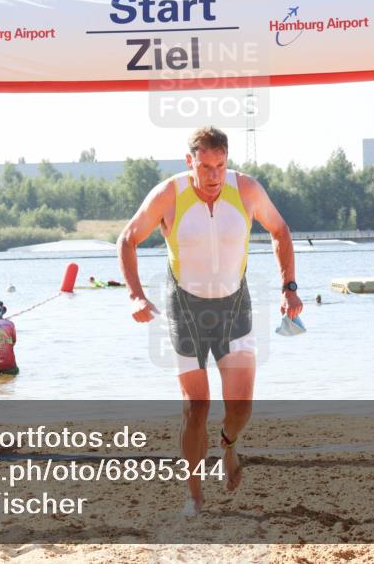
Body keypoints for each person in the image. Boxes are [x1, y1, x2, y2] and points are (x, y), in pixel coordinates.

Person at [117, 126, 302, 517]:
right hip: (185, 309)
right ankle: (194, 495)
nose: (214, 175)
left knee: (241, 408)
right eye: (205, 167)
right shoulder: (169, 194)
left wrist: (289, 287)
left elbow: (280, 230)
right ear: (190, 163)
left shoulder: (247, 190)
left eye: (221, 166)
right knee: (196, 406)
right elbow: (128, 238)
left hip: (234, 306)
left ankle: (228, 445)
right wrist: (135, 294)